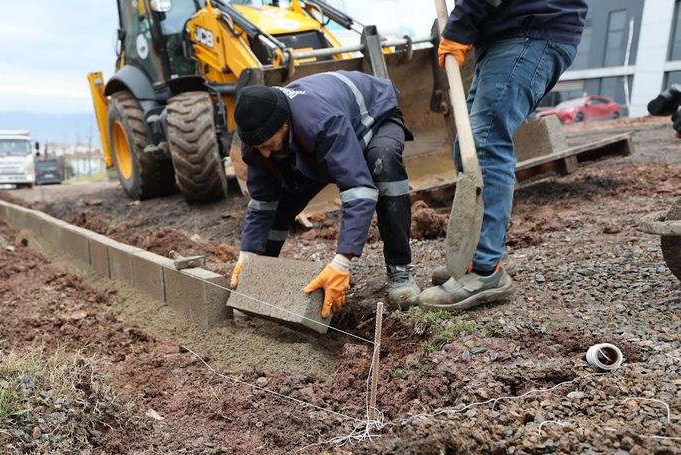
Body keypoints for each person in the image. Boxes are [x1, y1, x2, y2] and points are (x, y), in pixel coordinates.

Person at [418, 0, 588, 310]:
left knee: (485, 142)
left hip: (529, 30)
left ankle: (485, 269)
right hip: (508, 35)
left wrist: (459, 27)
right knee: (468, 143)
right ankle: (473, 256)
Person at [230, 70, 417, 318]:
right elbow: (263, 201)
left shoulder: (321, 121)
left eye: (268, 145)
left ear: (284, 123)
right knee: (279, 200)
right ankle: (261, 282)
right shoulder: (257, 137)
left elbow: (358, 189)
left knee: (383, 162)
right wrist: (248, 257)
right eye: (258, 148)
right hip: (313, 141)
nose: (264, 153)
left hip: (374, 119)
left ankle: (399, 268)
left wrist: (341, 264)